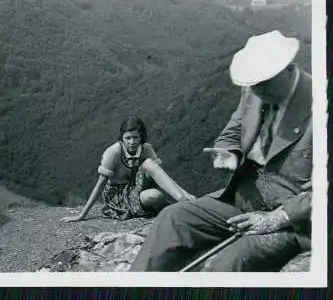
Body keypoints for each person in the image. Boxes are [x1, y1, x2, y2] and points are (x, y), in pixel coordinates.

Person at [130, 30, 313, 272]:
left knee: (231, 263)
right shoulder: (254, 91)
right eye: (253, 85)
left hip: (292, 218)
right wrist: (231, 152)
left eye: (265, 83)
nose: (259, 91)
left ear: (289, 68)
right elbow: (233, 132)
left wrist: (273, 219)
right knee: (172, 218)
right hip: (246, 197)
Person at [61, 117, 196, 222]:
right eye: (128, 138)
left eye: (135, 137)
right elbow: (100, 185)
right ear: (122, 137)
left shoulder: (146, 148)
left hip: (138, 187)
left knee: (149, 163)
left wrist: (186, 194)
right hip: (119, 196)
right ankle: (177, 210)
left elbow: (163, 176)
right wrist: (81, 215)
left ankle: (184, 202)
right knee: (154, 196)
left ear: (141, 137)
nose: (132, 142)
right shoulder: (113, 152)